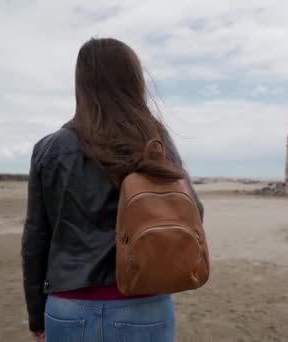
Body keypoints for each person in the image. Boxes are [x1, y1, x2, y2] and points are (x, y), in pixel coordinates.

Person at [21, 37, 204, 342]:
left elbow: (35, 240)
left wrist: (36, 314)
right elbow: (192, 211)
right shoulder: (154, 142)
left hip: (68, 308)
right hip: (144, 305)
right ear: (133, 81)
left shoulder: (49, 150)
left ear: (81, 84)